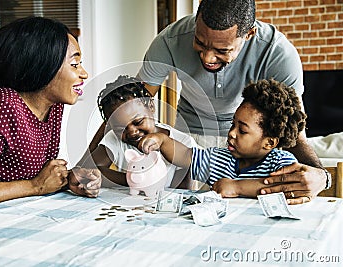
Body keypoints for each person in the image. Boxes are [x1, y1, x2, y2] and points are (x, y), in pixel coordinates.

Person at [132, 0, 329, 204]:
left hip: (251, 140)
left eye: (222, 50)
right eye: (200, 42)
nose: (208, 57)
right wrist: (96, 158)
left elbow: (293, 133)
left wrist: (322, 176)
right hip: (188, 134)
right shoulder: (170, 40)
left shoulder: (278, 54)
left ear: (249, 34)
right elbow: (131, 105)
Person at [0, 17, 101, 215]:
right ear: (42, 65)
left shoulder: (53, 106)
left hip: (15, 215)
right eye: (75, 64)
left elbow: (31, 176)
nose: (84, 74)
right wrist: (35, 186)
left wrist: (67, 179)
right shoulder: (0, 105)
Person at [139, 79, 309, 203]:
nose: (232, 133)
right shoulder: (219, 158)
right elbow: (185, 155)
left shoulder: (281, 163)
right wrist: (162, 140)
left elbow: (289, 187)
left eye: (242, 130)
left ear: (269, 143)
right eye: (232, 124)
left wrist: (237, 187)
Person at [78, 75, 197, 189]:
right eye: (120, 129)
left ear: (151, 107)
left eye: (138, 122)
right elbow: (88, 170)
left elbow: (181, 193)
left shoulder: (184, 143)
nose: (132, 132)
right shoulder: (115, 139)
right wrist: (133, 179)